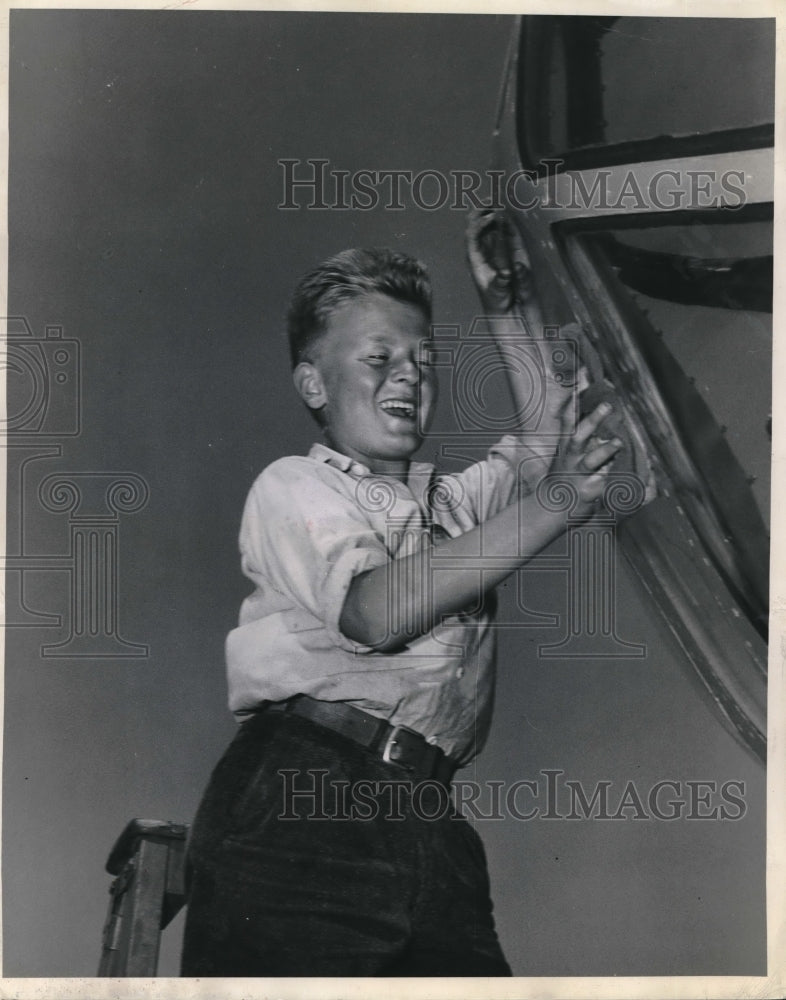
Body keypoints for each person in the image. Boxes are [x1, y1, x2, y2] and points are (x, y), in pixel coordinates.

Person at [180, 209, 623, 977]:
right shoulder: (294, 487)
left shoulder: (452, 508)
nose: (410, 374)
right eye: (378, 357)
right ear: (313, 383)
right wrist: (555, 504)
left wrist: (506, 304)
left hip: (429, 817)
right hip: (302, 804)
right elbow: (374, 611)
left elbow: (542, 439)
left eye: (423, 358)